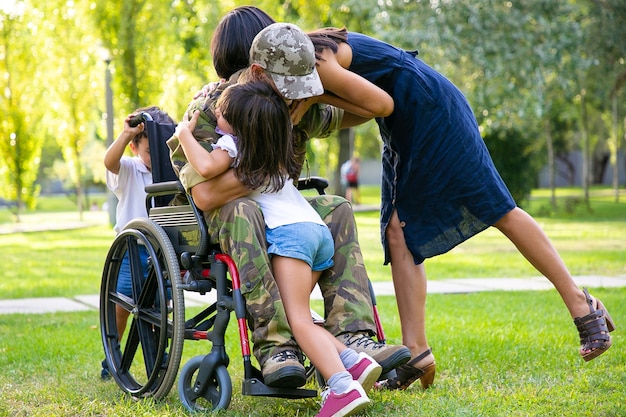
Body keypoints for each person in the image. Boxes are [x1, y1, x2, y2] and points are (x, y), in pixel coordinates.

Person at [307, 28, 616, 390]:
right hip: (403, 122)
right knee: (397, 230)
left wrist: (313, 99)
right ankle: (416, 352)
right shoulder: (312, 57)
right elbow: (367, 108)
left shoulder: (315, 58)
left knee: (497, 207)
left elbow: (377, 104)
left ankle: (582, 304)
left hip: (429, 109)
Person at [167, 10, 410, 389]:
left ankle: (351, 335)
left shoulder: (292, 102)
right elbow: (205, 194)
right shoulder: (215, 109)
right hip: (228, 218)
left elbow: (377, 107)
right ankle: (277, 346)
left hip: (278, 214)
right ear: (257, 67)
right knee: (242, 207)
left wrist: (315, 96)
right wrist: (268, 166)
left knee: (337, 208)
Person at [175, 80, 381, 417]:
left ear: (240, 127)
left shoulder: (232, 146)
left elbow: (208, 168)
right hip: (316, 232)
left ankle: (342, 388)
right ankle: (350, 361)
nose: (217, 115)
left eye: (223, 114)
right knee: (294, 309)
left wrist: (185, 134)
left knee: (296, 320)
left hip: (291, 237)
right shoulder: (271, 149)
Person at [101, 106, 176, 380]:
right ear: (135, 148)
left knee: (161, 306)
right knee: (122, 305)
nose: (155, 158)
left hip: (160, 251)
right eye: (149, 152)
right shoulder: (131, 168)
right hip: (131, 248)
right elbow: (109, 163)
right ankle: (113, 352)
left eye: (161, 152)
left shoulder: (169, 171)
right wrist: (125, 134)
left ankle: (159, 354)